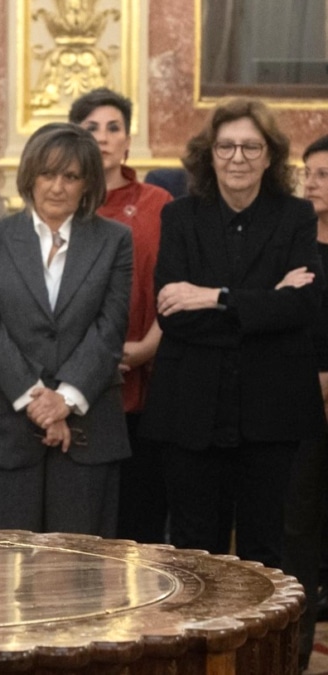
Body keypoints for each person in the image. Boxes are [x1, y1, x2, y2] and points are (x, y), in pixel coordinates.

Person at [140, 99, 324, 572]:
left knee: (266, 554)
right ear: (210, 153)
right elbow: (173, 313)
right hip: (192, 411)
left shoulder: (296, 216)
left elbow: (302, 306)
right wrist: (262, 304)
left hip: (272, 412)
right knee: (194, 554)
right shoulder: (180, 216)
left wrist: (213, 296)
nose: (237, 157)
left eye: (250, 146)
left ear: (269, 156)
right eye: (226, 146)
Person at [0, 122, 133, 536]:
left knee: (81, 580)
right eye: (47, 173)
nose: (57, 187)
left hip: (87, 434)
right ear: (29, 177)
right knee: (3, 575)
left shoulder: (115, 240)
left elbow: (110, 329)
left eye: (71, 176)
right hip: (5, 428)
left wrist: (67, 400)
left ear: (87, 183)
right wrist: (40, 402)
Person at [67, 88, 173, 544]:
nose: (104, 138)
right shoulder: (62, 201)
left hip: (147, 373)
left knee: (142, 520)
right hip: (79, 382)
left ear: (128, 140)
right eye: (92, 129)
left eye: (114, 128)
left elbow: (172, 280)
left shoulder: (158, 201)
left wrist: (150, 344)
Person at [283, 133, 328, 670]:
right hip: (297, 402)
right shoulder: (292, 243)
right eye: (308, 172)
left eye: (322, 174)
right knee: (297, 528)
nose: (311, 182)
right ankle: (292, 653)